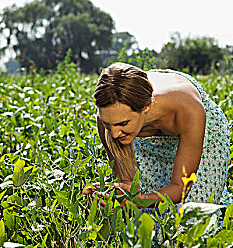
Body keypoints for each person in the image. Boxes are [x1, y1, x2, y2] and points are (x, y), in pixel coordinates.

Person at [84, 62, 232, 208]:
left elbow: (180, 187)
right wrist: (114, 193)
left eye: (123, 124)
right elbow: (127, 184)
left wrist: (142, 201)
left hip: (200, 122)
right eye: (108, 124)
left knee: (193, 211)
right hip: (147, 121)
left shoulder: (188, 110)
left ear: (146, 107)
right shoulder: (111, 115)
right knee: (149, 216)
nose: (114, 134)